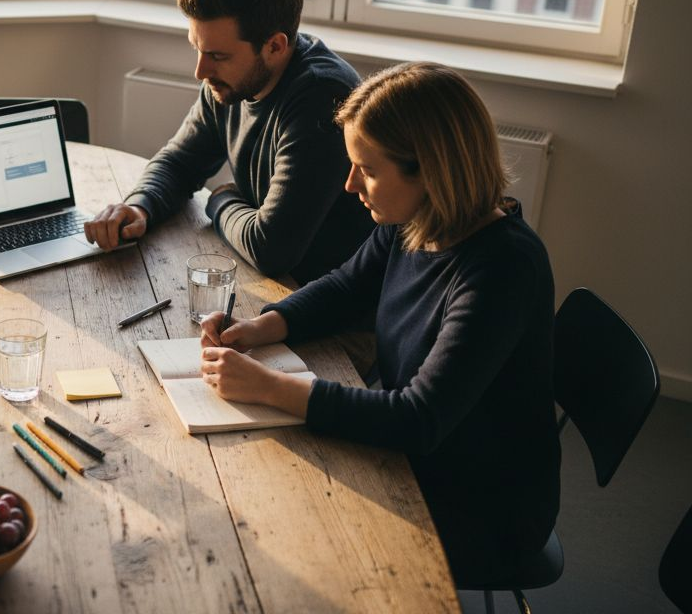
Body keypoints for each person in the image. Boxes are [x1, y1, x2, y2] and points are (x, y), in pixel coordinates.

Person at [197, 62, 560, 582]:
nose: (349, 185)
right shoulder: (415, 218)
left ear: (430, 171)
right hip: (415, 453)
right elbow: (348, 286)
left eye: (366, 169)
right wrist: (261, 325)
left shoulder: (502, 269)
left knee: (276, 526)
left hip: (479, 501)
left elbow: (418, 419)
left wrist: (270, 386)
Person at [84, 0, 373, 284]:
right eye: (197, 49)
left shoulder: (323, 97)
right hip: (270, 285)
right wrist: (140, 207)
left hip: (325, 305)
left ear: (275, 47)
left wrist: (220, 198)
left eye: (218, 55)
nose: (200, 71)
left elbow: (271, 249)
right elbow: (180, 162)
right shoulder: (231, 81)